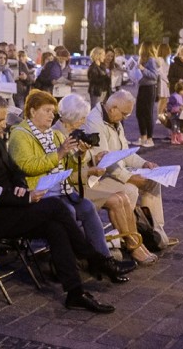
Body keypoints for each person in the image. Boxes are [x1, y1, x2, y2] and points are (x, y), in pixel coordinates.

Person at [0, 93, 118, 313]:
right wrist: (24, 196)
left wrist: (23, 187)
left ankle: (75, 292)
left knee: (55, 227)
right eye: (0, 120)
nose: (4, 125)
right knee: (55, 207)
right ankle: (92, 256)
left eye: (4, 120)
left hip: (11, 207)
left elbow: (15, 171)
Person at [9, 91, 134, 279]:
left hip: (62, 191)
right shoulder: (20, 135)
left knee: (88, 207)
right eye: (47, 111)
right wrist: (59, 153)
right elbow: (28, 167)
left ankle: (104, 260)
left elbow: (70, 168)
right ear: (33, 111)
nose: (52, 115)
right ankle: (78, 263)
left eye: (53, 111)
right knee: (69, 211)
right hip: (40, 194)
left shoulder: (54, 135)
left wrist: (80, 155)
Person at [55, 94, 157, 265]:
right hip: (74, 186)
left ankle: (136, 244)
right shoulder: (59, 135)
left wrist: (93, 157)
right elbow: (66, 172)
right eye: (82, 118)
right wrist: (90, 168)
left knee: (123, 197)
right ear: (72, 118)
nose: (84, 121)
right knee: (118, 200)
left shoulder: (72, 131)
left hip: (84, 180)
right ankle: (133, 247)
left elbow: (80, 160)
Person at [82, 90, 177, 251]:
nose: (126, 118)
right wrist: (129, 178)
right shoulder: (95, 123)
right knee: (130, 190)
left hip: (115, 171)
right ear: (113, 108)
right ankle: (127, 237)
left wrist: (145, 164)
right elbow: (105, 161)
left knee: (153, 182)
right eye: (124, 114)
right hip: (99, 176)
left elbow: (125, 153)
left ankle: (155, 231)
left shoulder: (114, 119)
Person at [134, 42, 159, 147]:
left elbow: (154, 76)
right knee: (139, 112)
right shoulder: (142, 59)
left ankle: (150, 138)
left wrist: (143, 69)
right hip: (142, 87)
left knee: (148, 113)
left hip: (149, 88)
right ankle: (143, 136)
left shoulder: (151, 60)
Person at [166, 81, 183, 145]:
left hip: (179, 115)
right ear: (179, 90)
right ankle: (173, 139)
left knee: (179, 127)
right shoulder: (174, 96)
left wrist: (182, 107)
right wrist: (176, 109)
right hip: (174, 115)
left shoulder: (181, 96)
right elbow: (169, 106)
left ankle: (180, 139)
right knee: (174, 127)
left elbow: (180, 104)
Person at [156, 43, 172, 121]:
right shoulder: (160, 59)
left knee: (165, 99)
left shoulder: (166, 59)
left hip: (165, 80)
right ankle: (159, 116)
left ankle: (162, 114)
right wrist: (167, 80)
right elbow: (160, 72)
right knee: (162, 99)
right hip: (163, 81)